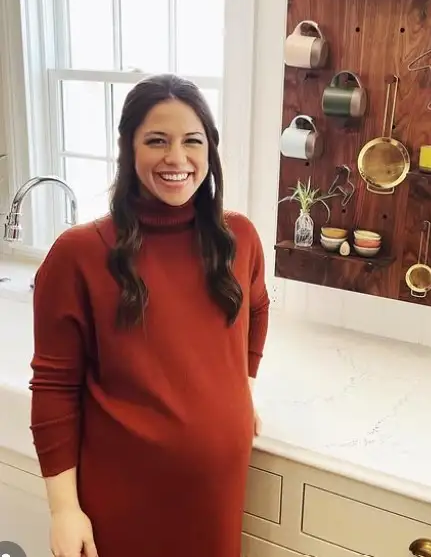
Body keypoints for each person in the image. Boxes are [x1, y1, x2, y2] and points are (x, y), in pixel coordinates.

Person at [29, 73, 270, 557]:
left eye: (192, 141)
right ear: (129, 149)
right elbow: (54, 389)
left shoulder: (238, 237)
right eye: (156, 140)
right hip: (121, 500)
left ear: (210, 151)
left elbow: (258, 310)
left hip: (215, 497)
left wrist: (242, 387)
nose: (177, 158)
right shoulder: (79, 253)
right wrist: (64, 510)